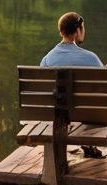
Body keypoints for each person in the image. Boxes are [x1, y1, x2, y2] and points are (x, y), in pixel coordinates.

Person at [40, 12, 103, 156]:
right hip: (87, 116)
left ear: (61, 31)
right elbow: (105, 87)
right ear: (78, 31)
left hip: (56, 116)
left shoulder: (47, 60)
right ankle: (88, 143)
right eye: (83, 28)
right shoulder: (91, 58)